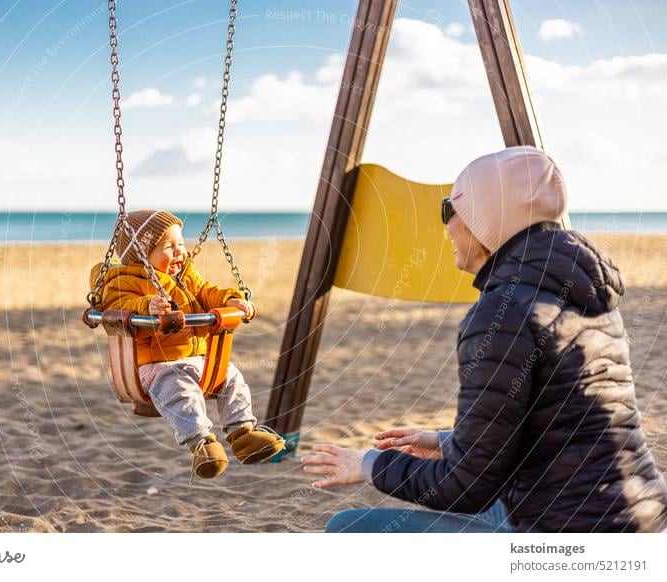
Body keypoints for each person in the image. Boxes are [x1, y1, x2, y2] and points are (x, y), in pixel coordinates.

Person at [301, 146, 667, 532]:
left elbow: (466, 487)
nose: (447, 226)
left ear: (487, 219)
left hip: (566, 535)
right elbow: (565, 421)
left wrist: (368, 464)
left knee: (348, 530)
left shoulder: (503, 313)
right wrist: (447, 441)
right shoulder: (582, 292)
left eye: (450, 209)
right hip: (641, 515)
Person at [90, 210, 284, 479]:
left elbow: (207, 292)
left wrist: (231, 300)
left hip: (198, 361)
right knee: (180, 391)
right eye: (169, 246)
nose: (180, 251)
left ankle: (243, 434)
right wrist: (146, 306)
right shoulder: (125, 281)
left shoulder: (186, 275)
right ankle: (202, 444)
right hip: (156, 367)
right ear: (141, 254)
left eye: (181, 243)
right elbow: (117, 305)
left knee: (231, 377)